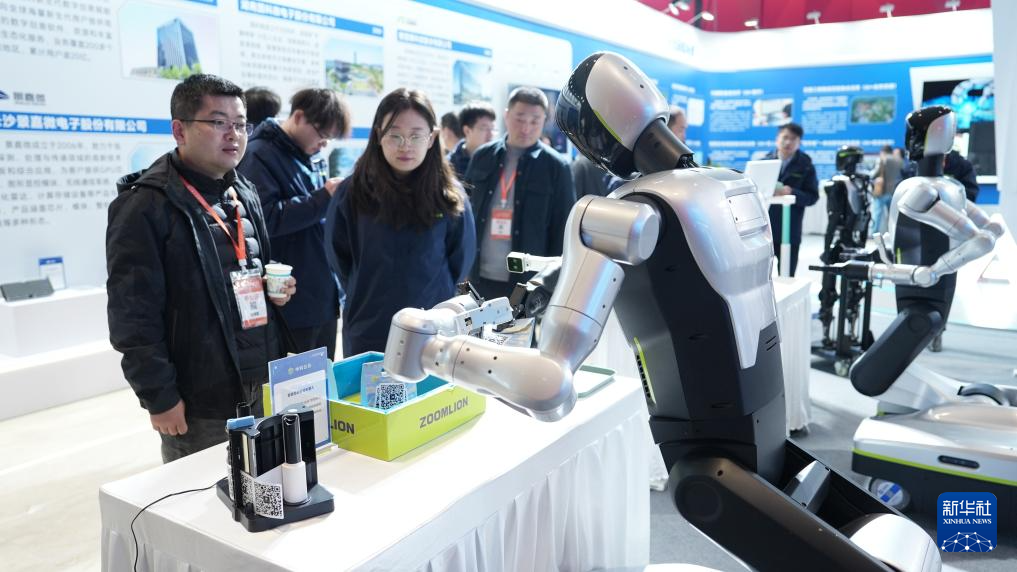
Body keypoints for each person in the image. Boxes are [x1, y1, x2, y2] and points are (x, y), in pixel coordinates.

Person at [106, 74, 296, 463]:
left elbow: (241, 270)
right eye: (218, 122)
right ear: (180, 130)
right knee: (205, 494)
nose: (234, 134)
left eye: (241, 124)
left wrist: (272, 289)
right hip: (200, 399)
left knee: (266, 484)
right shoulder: (145, 206)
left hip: (262, 380)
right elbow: (133, 315)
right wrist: (159, 397)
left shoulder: (243, 190)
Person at [327, 88, 476, 356]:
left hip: (432, 328)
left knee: (429, 384)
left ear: (431, 138)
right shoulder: (353, 192)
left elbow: (460, 260)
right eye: (395, 135)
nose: (405, 145)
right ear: (378, 135)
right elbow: (339, 257)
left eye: (416, 135)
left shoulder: (449, 195)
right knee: (368, 383)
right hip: (369, 325)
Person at [238, 88, 351, 358]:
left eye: (329, 139)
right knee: (295, 380)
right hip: (290, 300)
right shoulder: (258, 154)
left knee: (323, 377)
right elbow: (265, 218)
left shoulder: (313, 156)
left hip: (322, 294)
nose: (324, 144)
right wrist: (324, 197)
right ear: (299, 117)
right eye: (322, 135)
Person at [464, 86, 575, 299]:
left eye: (535, 121)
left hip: (527, 283)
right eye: (520, 119)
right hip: (478, 276)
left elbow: (563, 230)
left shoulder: (556, 167)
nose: (526, 128)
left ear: (544, 121)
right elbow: (464, 215)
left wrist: (551, 284)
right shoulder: (482, 156)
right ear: (506, 115)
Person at [763, 122, 819, 276]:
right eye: (785, 137)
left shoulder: (806, 165)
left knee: (787, 276)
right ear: (777, 139)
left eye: (793, 139)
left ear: (799, 142)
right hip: (765, 231)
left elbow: (812, 197)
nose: (788, 142)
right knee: (761, 277)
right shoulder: (763, 162)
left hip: (790, 230)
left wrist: (792, 192)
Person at [447, 101, 496, 178]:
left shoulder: (499, 161)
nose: (491, 134)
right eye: (484, 128)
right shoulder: (449, 165)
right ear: (467, 131)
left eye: (492, 129)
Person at [871, 144, 902, 235]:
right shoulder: (898, 161)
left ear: (883, 152)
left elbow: (874, 174)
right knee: (892, 215)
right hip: (892, 191)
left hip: (881, 190)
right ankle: (892, 232)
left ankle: (874, 233)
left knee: (877, 213)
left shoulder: (882, 159)